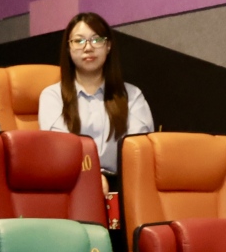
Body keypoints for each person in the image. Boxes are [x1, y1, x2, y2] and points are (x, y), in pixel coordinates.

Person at [41, 11, 152, 178]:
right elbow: (60, 149)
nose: (88, 48)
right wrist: (92, 178)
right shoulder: (52, 97)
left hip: (122, 184)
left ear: (108, 46)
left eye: (96, 40)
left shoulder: (132, 96)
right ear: (69, 48)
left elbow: (140, 151)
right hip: (72, 183)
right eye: (79, 41)